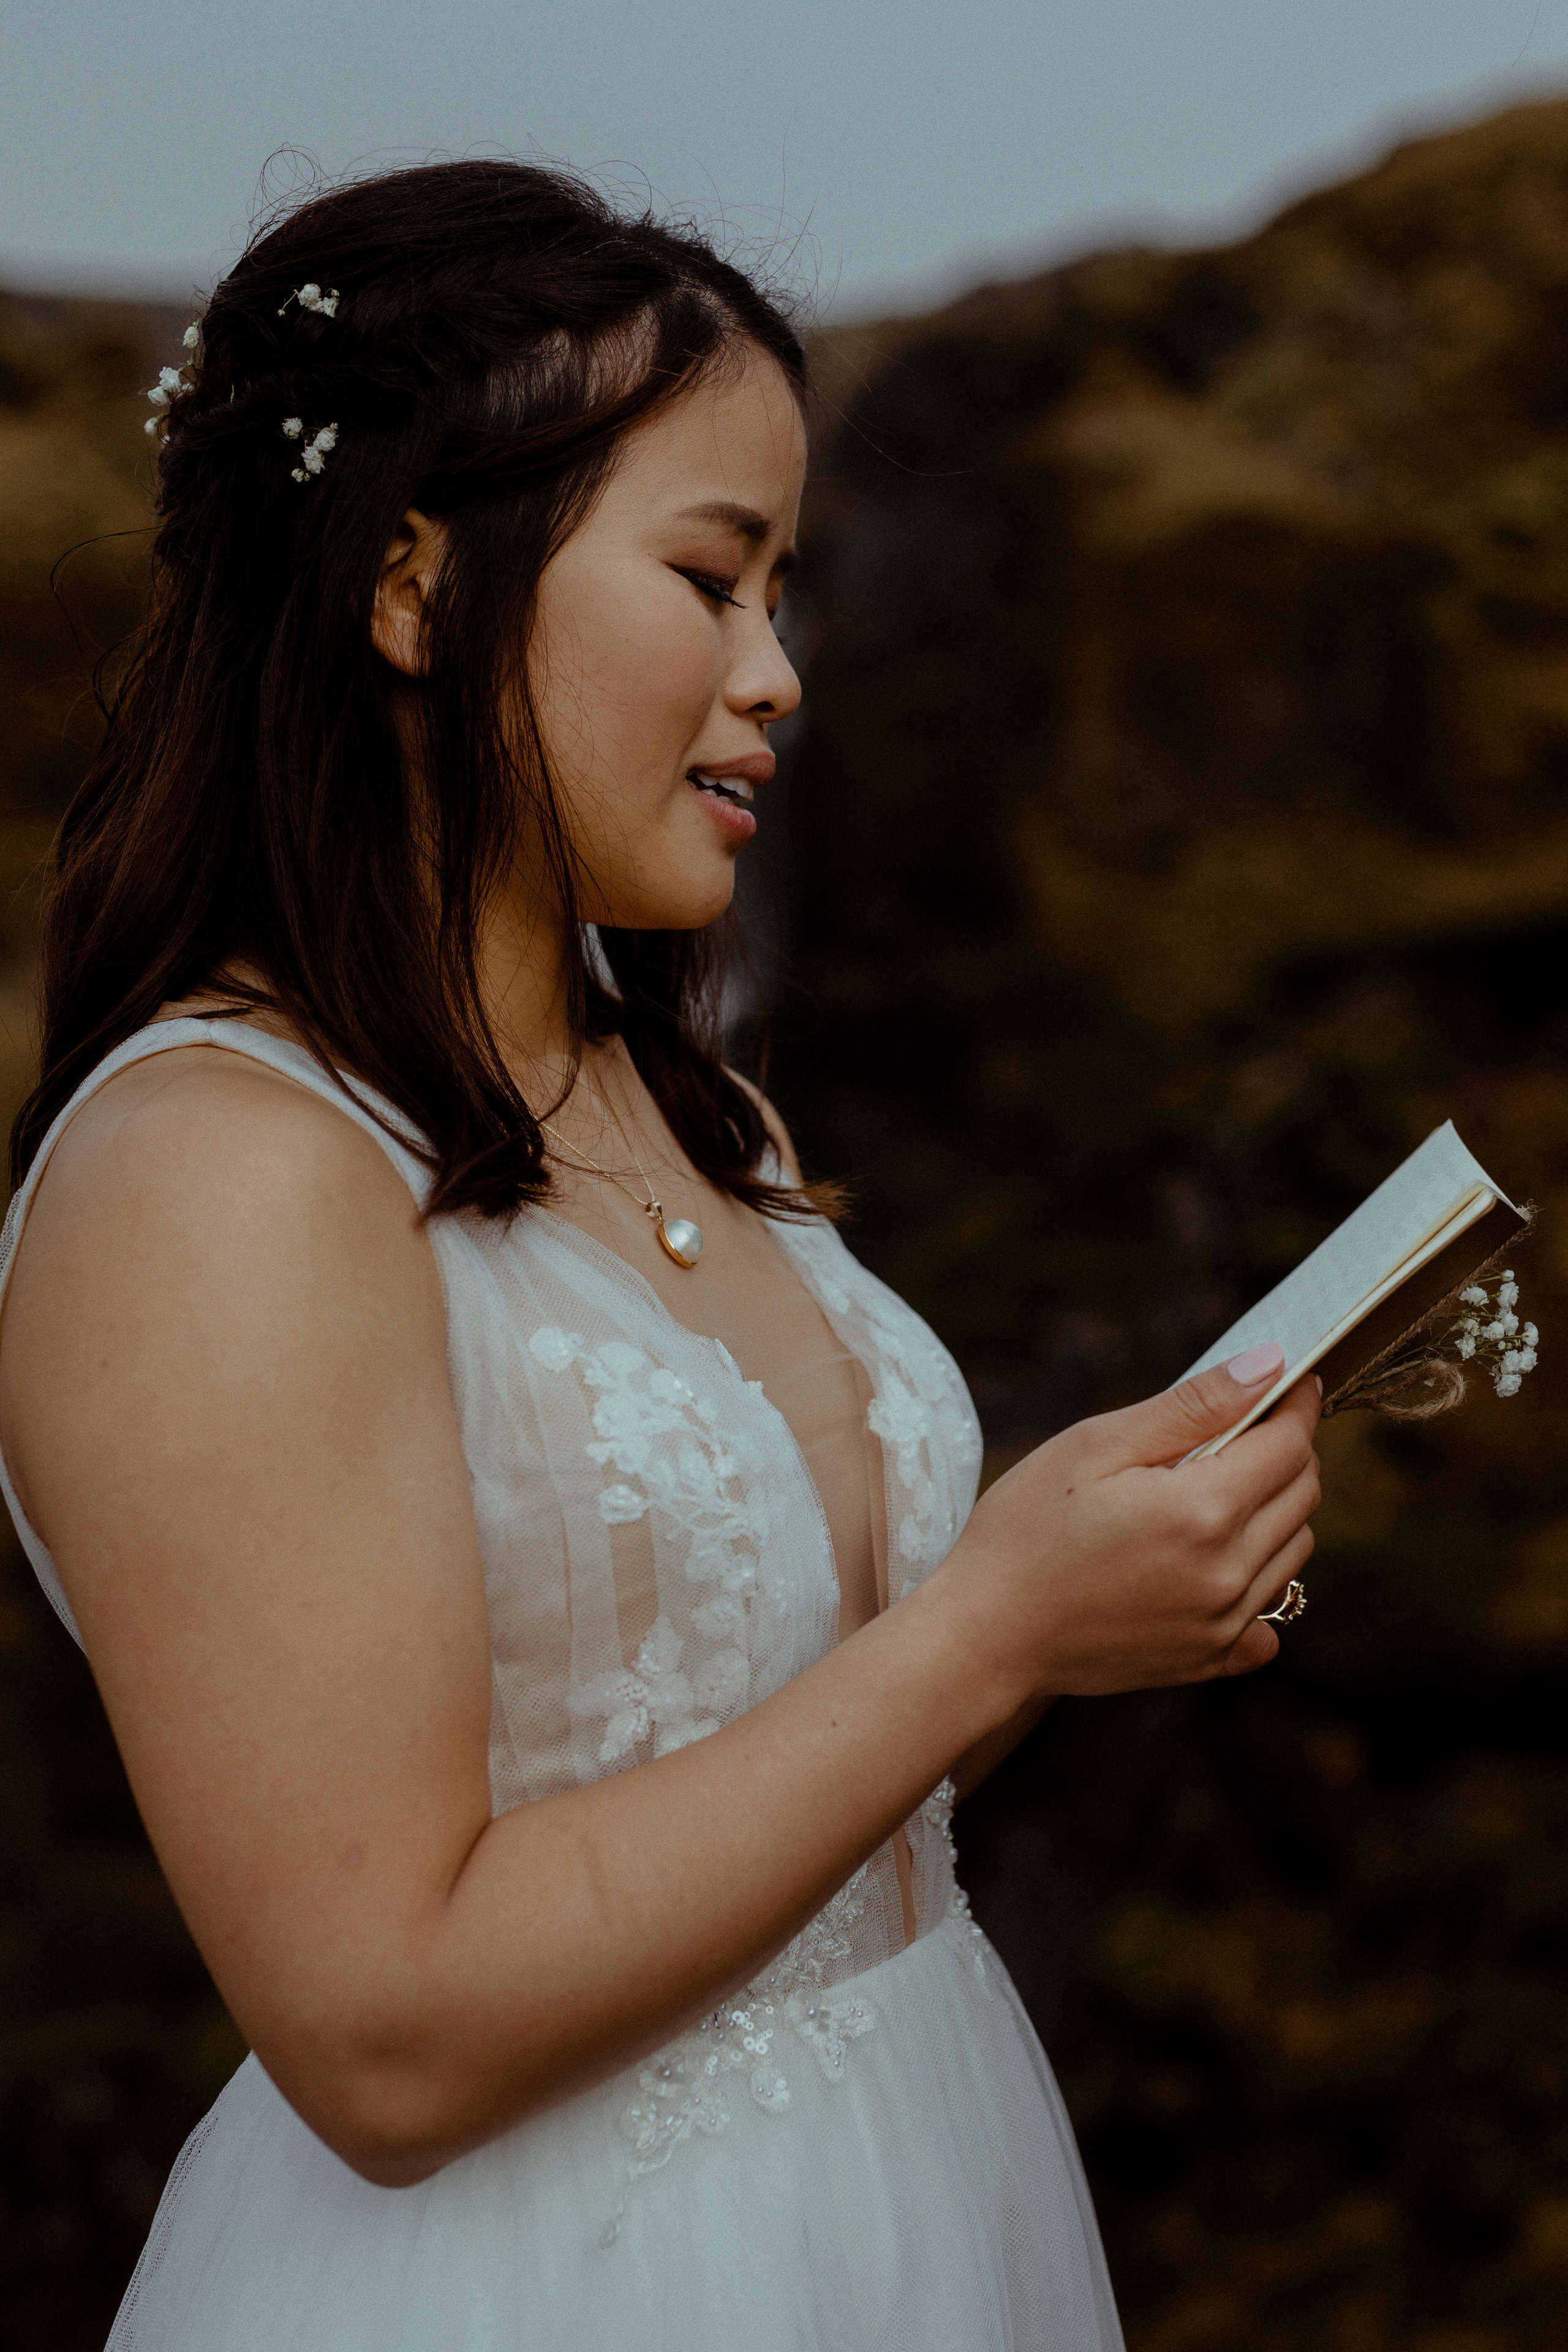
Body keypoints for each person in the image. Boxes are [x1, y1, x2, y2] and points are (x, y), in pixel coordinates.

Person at [0, 162, 1321, 2351]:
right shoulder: (213, 1180)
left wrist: (1093, 1583)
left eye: (783, 590)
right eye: (712, 579)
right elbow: (385, 2035)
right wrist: (990, 1632)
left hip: (919, 2196)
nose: (778, 671)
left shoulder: (687, 1099)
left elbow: (760, 1755)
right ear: (415, 588)